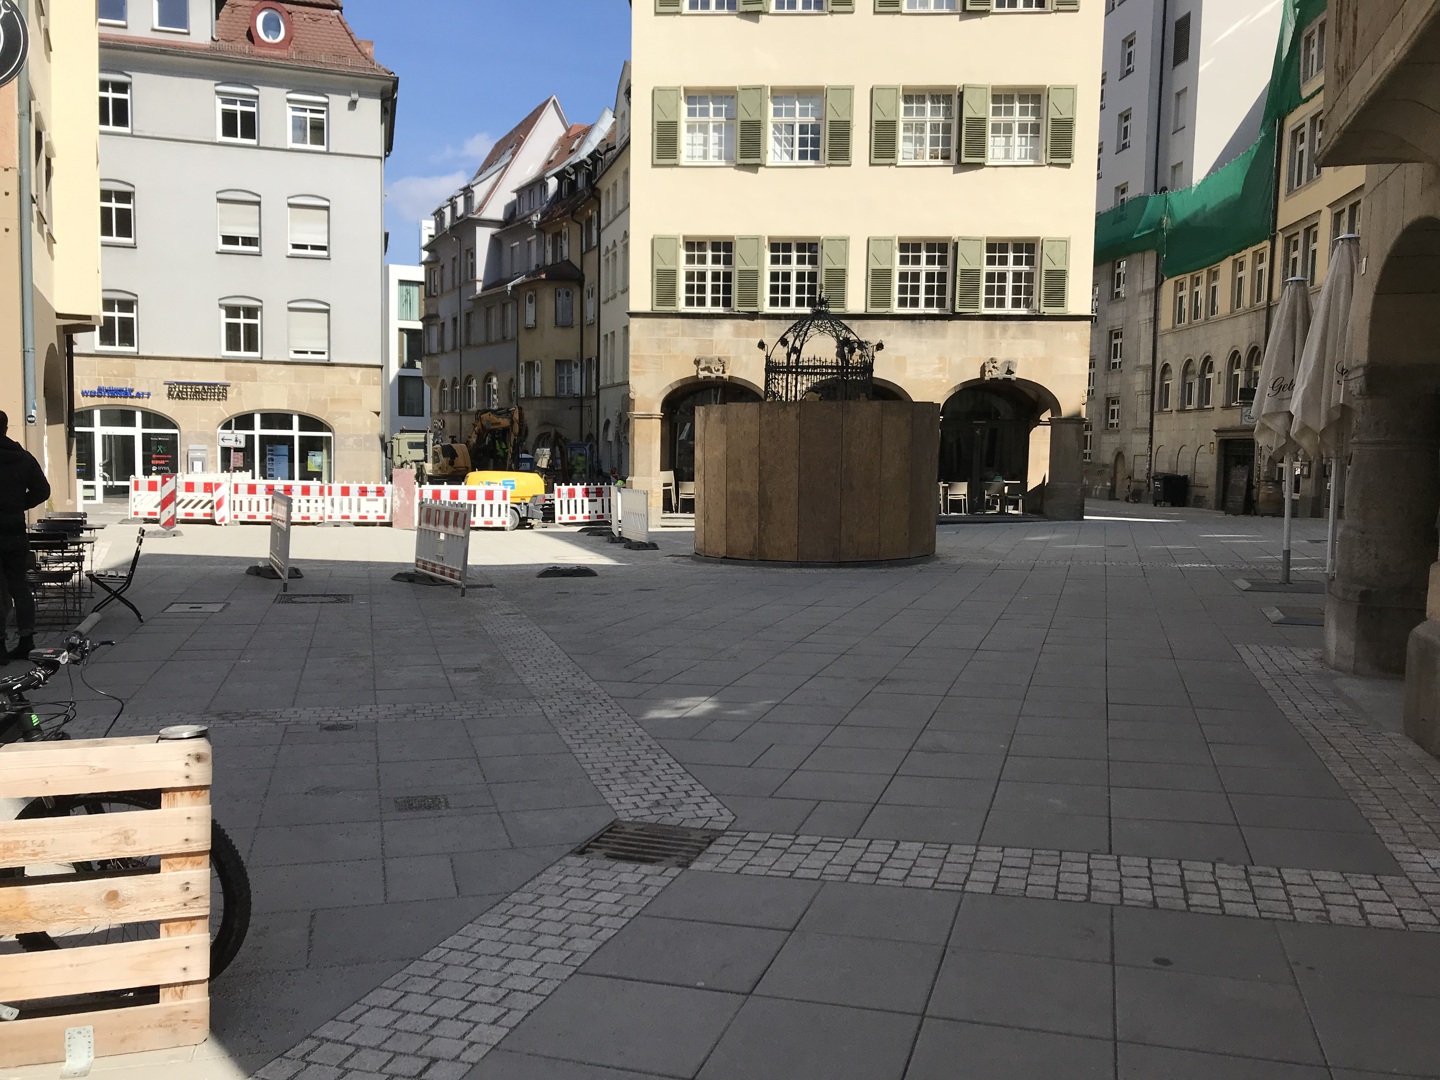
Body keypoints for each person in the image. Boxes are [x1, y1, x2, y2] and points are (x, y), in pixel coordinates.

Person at [0, 410, 49, 663]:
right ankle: (26, 639)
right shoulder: (23, 458)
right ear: (6, 429)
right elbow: (43, 490)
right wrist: (19, 504)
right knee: (20, 587)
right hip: (15, 532)